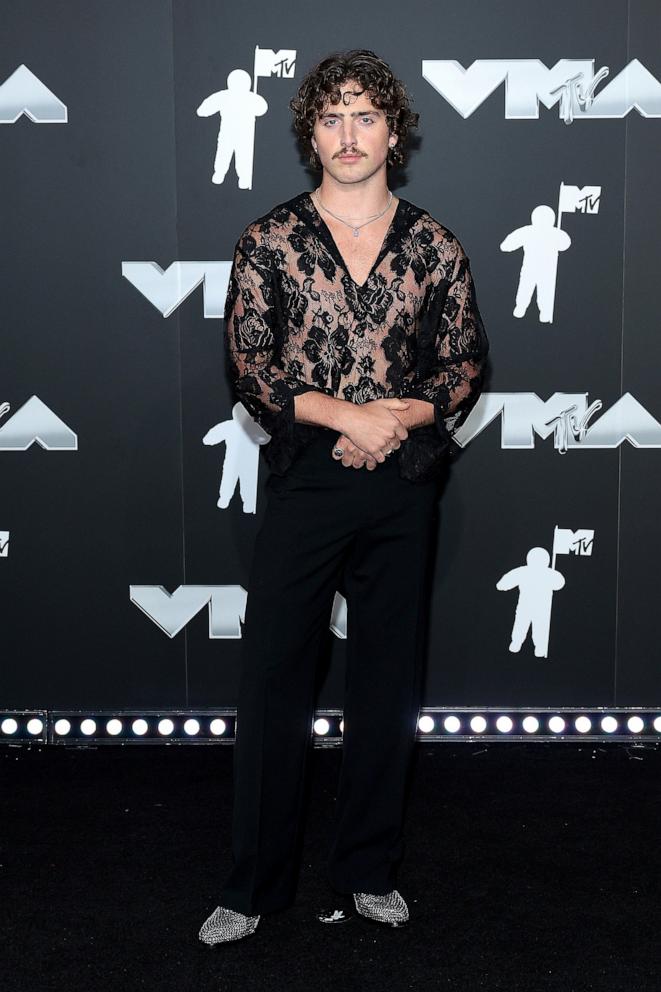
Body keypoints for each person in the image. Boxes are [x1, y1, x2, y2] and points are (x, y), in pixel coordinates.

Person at [198, 48, 489, 946]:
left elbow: (464, 365)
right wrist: (344, 419)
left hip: (401, 479)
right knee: (273, 684)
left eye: (365, 116)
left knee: (385, 684)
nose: (348, 134)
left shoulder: (435, 243)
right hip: (307, 479)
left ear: (392, 133)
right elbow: (251, 368)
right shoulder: (269, 241)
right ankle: (251, 887)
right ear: (309, 134)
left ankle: (368, 870)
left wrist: (391, 419)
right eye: (331, 117)